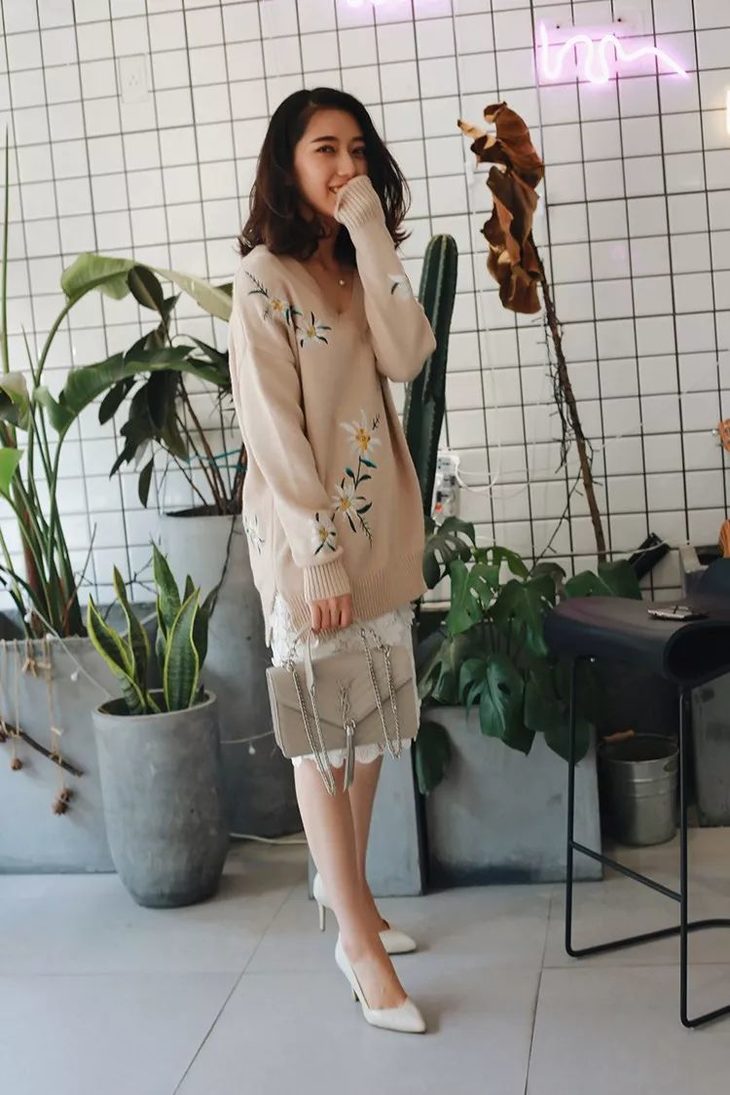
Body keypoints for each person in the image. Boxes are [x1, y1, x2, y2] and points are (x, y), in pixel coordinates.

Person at [228, 87, 436, 1034]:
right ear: (288, 163)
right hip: (311, 541)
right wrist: (317, 558)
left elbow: (409, 354)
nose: (345, 165)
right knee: (323, 731)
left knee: (373, 722)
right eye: (324, 149)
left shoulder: (359, 263)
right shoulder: (262, 279)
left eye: (357, 148)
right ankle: (357, 941)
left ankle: (347, 890)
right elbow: (274, 434)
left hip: (380, 529)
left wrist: (372, 235)